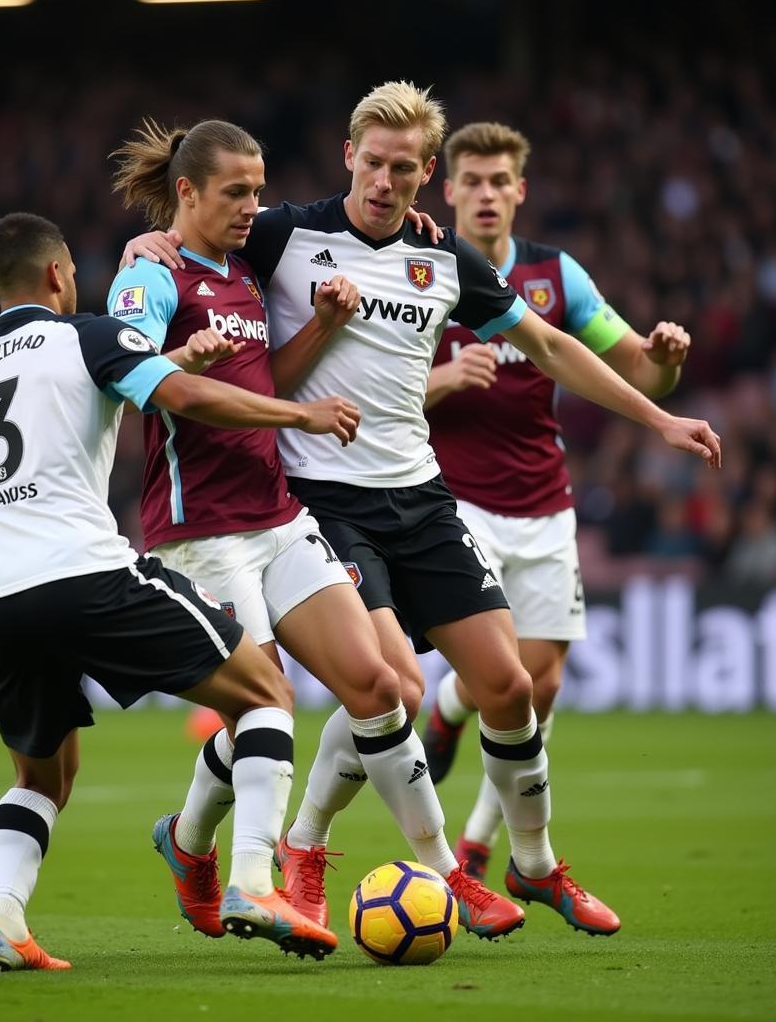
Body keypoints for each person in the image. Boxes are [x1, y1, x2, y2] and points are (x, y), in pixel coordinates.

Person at [122, 80, 721, 938]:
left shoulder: (444, 259)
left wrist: (660, 416)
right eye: (373, 164)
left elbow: (548, 346)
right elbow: (194, 252)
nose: (385, 182)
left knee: (509, 687)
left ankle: (536, 862)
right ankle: (316, 849)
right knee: (388, 684)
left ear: (424, 173)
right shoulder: (286, 234)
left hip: (423, 496)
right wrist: (147, 245)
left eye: (404, 170)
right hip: (321, 501)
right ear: (348, 157)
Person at [0, 212, 364, 970]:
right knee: (264, 693)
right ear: (58, 274)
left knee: (44, 776)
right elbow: (182, 397)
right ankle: (252, 879)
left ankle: (4, 924)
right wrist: (300, 411)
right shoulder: (85, 336)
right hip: (84, 574)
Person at [107, 118, 526, 941]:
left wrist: (326, 327)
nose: (254, 208)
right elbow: (144, 383)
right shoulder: (157, 278)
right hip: (200, 529)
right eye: (237, 193)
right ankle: (239, 873)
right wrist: (140, 254)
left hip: (277, 513)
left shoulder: (242, 275)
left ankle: (443, 875)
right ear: (186, 193)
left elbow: (265, 375)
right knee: (264, 705)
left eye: (260, 192)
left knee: (383, 687)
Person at [417, 121, 698, 880]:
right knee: (501, 675)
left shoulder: (555, 278)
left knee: (538, 687)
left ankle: (472, 807)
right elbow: (364, 398)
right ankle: (492, 840)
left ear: (520, 191)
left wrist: (664, 364)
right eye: (470, 180)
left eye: (498, 181)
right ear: (447, 190)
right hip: (455, 500)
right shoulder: (420, 270)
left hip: (544, 501)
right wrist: (441, 382)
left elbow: (638, 371)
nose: (484, 194)